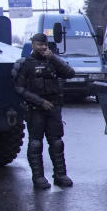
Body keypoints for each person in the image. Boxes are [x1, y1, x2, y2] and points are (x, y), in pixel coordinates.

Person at [13, 33, 76, 189]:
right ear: (33, 45)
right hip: (36, 109)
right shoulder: (25, 64)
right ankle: (38, 177)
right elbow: (19, 88)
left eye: (45, 45)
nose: (43, 47)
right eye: (39, 44)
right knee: (35, 143)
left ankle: (60, 175)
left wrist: (52, 57)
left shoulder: (52, 61)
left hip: (54, 107)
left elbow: (70, 73)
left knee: (56, 142)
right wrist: (40, 102)